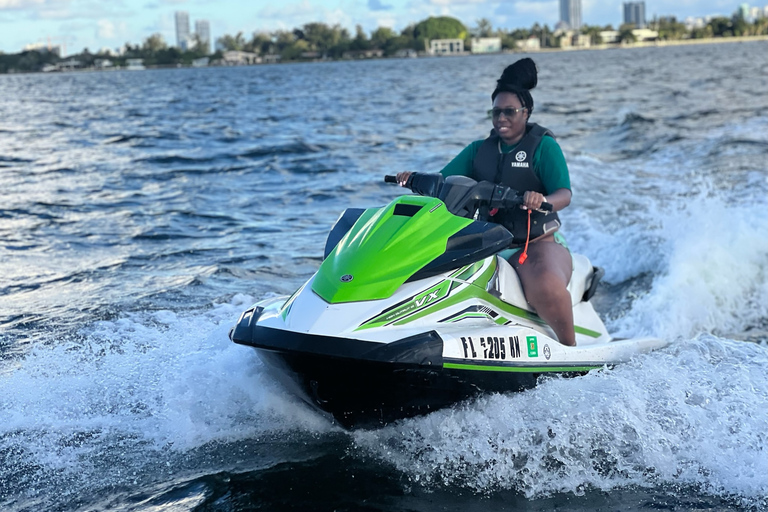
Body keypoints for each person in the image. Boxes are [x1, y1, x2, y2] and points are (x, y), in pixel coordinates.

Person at [396, 58, 576, 347]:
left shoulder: (543, 147)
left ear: (526, 112)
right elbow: (443, 181)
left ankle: (570, 350)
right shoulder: (478, 151)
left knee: (546, 287)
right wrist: (414, 179)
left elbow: (563, 194)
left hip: (535, 243)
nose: (501, 118)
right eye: (496, 113)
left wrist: (542, 200)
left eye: (509, 112)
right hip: (486, 244)